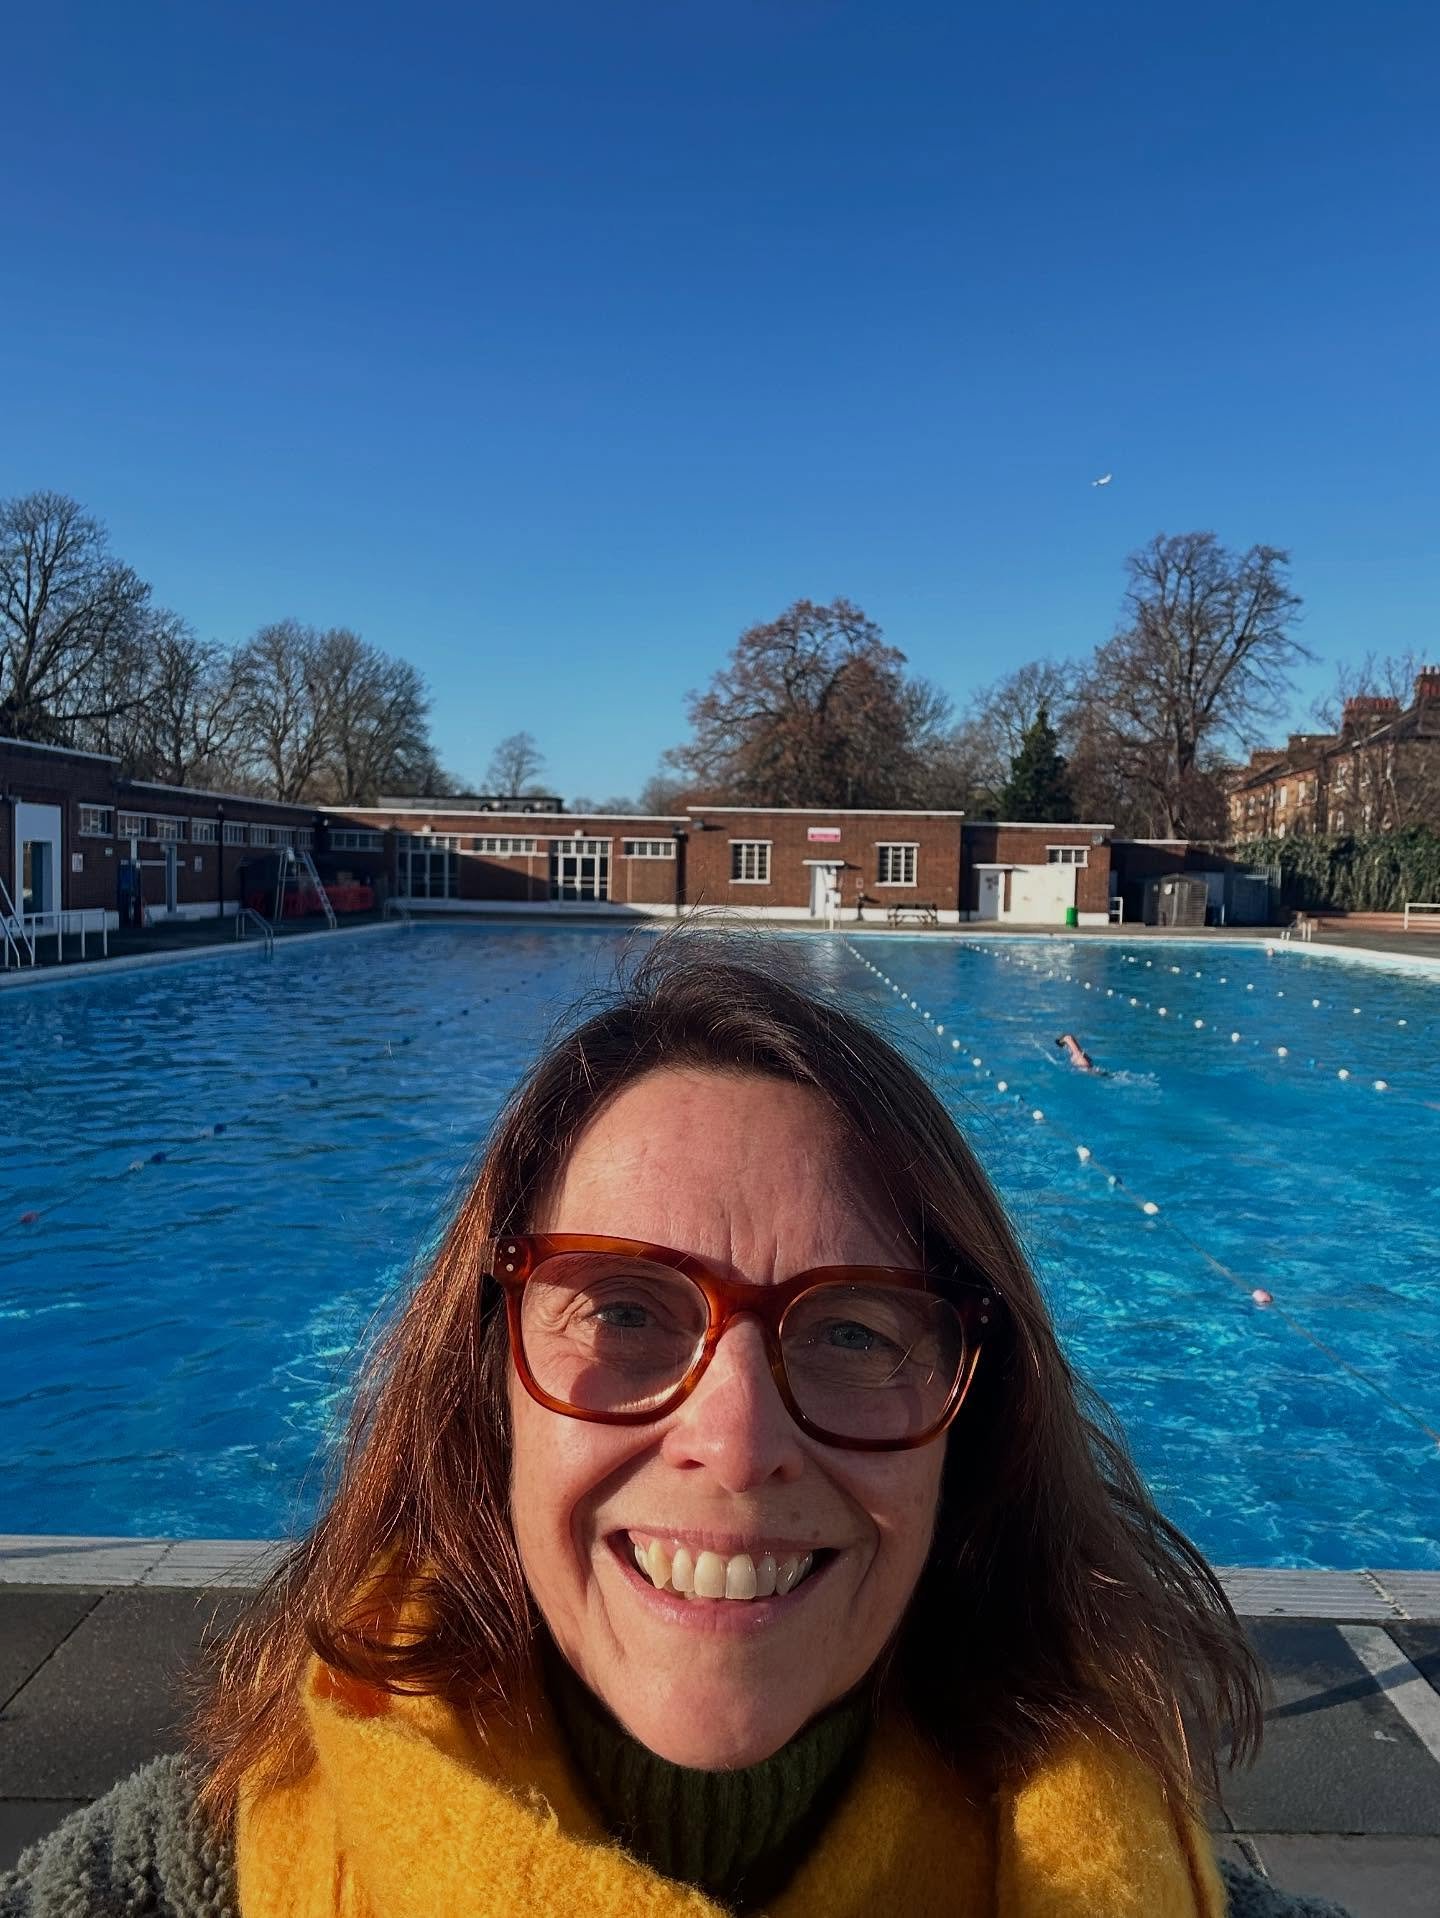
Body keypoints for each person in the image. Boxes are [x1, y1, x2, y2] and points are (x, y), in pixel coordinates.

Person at [0, 937, 1351, 1917]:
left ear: (971, 1428)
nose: (736, 1436)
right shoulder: (176, 1879)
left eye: (854, 1330)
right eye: (626, 1311)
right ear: (488, 1381)